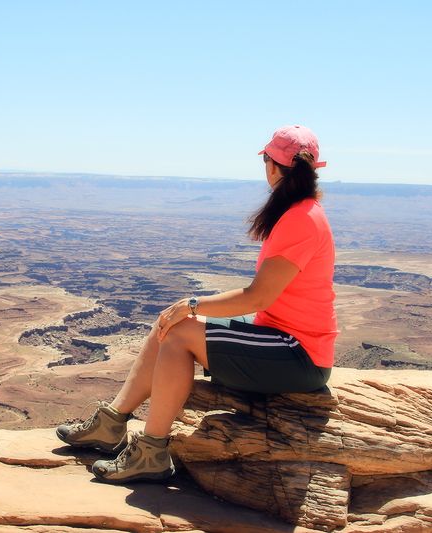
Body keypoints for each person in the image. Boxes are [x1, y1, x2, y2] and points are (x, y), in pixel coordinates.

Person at [56, 125, 338, 484]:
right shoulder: (301, 212)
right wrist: (184, 310)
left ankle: (151, 452)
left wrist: (192, 305)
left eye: (266, 159)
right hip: (283, 340)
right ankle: (111, 423)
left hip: (299, 355)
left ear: (272, 165)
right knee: (167, 326)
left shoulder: (300, 219)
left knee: (180, 332)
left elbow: (258, 296)